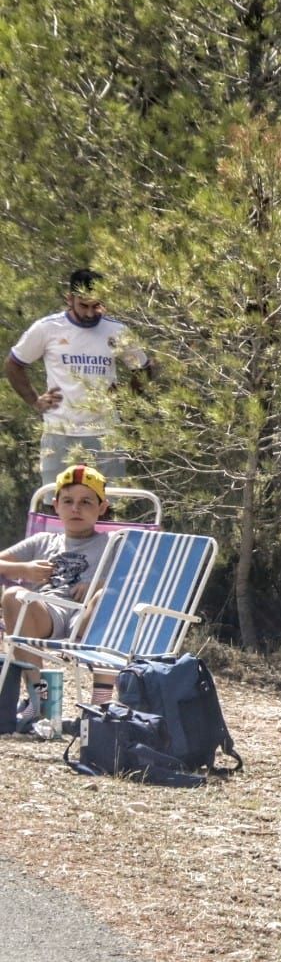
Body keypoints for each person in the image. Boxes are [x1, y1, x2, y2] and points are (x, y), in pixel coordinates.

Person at [8, 268, 151, 486]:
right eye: (84, 305)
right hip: (59, 430)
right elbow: (14, 364)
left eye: (97, 306)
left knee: (108, 504)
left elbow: (143, 368)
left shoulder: (116, 331)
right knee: (56, 502)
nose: (90, 313)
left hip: (105, 432)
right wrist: (35, 400)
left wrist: (125, 399)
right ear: (70, 299)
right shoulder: (48, 328)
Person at [0, 463, 112, 725]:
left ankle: (99, 704)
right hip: (47, 613)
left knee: (108, 596)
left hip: (86, 618)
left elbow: (141, 578)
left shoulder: (114, 542)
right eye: (68, 501)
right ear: (56, 505)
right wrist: (23, 569)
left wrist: (101, 585)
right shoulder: (43, 541)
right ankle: (38, 698)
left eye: (86, 502)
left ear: (102, 508)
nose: (76, 508)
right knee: (14, 595)